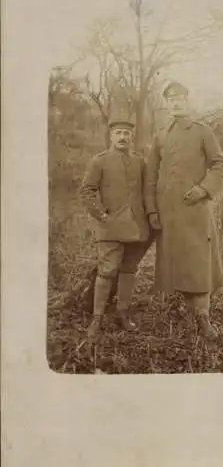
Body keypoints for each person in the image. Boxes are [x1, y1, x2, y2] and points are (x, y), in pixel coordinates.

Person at [144, 82, 223, 340]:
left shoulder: (202, 131)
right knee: (175, 261)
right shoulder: (160, 136)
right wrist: (152, 211)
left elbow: (219, 164)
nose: (176, 103)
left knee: (199, 260)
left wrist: (204, 190)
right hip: (168, 212)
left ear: (187, 100)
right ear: (166, 104)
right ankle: (184, 307)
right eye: (171, 99)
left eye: (180, 98)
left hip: (195, 210)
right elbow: (150, 176)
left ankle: (203, 317)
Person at [80, 111, 150, 340]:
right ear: (111, 136)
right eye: (118, 133)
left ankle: (123, 314)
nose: (122, 137)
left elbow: (148, 190)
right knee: (107, 270)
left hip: (137, 227)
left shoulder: (140, 161)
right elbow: (87, 191)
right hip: (110, 227)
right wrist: (101, 215)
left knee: (129, 270)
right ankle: (96, 319)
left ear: (132, 137)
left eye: (126, 133)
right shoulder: (99, 160)